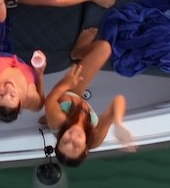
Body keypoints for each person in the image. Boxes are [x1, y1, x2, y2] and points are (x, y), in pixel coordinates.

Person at [43, 27, 137, 167]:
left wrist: (66, 84)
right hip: (78, 101)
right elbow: (118, 100)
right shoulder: (96, 138)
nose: (72, 137)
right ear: (86, 149)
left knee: (103, 48)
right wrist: (118, 123)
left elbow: (50, 99)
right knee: (105, 48)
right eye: (76, 146)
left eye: (65, 141)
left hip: (68, 90)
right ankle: (77, 53)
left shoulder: (58, 121)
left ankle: (78, 52)